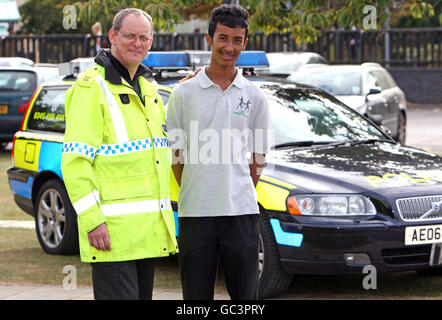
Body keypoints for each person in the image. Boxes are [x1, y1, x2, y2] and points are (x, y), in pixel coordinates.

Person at [61, 8, 178, 300]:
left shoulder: (149, 87)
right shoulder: (92, 87)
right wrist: (92, 221)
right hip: (111, 236)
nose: (138, 43)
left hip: (147, 236)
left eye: (144, 37)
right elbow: (75, 162)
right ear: (113, 36)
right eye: (130, 36)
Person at [167, 4, 270, 300]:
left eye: (237, 40)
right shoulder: (182, 94)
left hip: (242, 215)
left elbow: (258, 159)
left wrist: (234, 189)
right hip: (195, 215)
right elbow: (177, 157)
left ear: (245, 43)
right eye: (223, 38)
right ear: (209, 39)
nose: (230, 47)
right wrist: (201, 187)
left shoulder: (255, 96)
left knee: (246, 299)